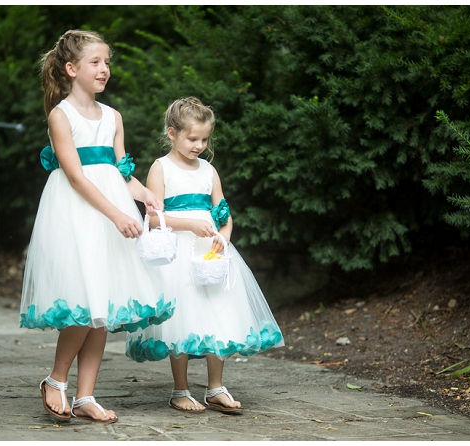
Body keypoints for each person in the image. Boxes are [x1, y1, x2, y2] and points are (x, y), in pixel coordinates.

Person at [19, 30, 174, 423]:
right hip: (78, 214)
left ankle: (86, 394)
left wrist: (144, 196)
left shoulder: (113, 117)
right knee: (84, 304)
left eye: (107, 62)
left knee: (102, 305)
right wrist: (117, 214)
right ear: (71, 69)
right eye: (95, 62)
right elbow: (76, 177)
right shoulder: (61, 116)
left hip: (112, 213)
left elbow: (121, 172)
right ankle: (56, 379)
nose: (104, 69)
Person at [125, 97, 284, 414]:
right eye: (192, 138)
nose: (199, 145)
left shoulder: (209, 171)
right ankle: (180, 389)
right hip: (178, 254)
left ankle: (215, 387)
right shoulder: (161, 168)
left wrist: (224, 237)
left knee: (217, 312)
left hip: (209, 251)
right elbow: (154, 217)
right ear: (172, 133)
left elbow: (224, 214)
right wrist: (189, 224)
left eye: (204, 139)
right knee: (181, 318)